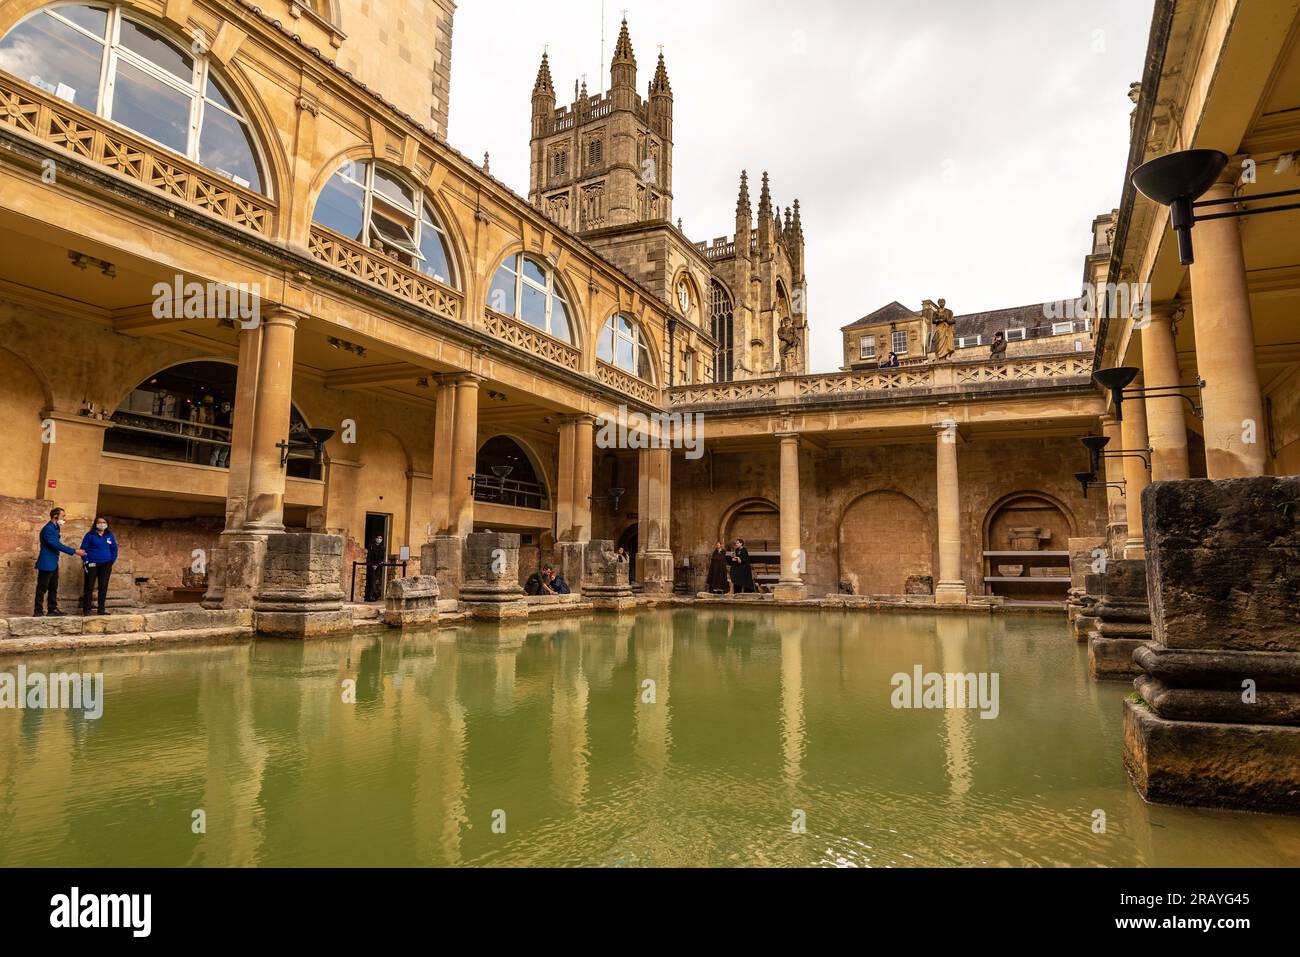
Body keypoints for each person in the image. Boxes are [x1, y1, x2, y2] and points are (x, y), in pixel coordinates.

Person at [34, 507, 85, 617]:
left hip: (53, 562)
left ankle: (52, 609)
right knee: (42, 587)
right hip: (46, 562)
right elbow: (55, 544)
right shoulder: (48, 528)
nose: (64, 518)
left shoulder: (55, 527)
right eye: (63, 516)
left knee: (53, 586)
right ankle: (38, 610)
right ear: (55, 516)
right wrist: (74, 551)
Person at [79, 515, 118, 616]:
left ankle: (101, 609)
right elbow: (83, 549)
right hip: (92, 564)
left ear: (107, 524)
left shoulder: (109, 535)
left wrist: (111, 561)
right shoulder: (90, 535)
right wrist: (86, 561)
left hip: (106, 564)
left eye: (104, 522)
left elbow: (114, 549)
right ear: (95, 524)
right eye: (99, 522)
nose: (102, 524)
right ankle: (87, 610)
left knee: (103, 587)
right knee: (89, 587)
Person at [364, 534, 386, 602]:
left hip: (378, 566)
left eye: (380, 538)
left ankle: (372, 596)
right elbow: (369, 557)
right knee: (372, 580)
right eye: (378, 538)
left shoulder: (382, 547)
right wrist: (372, 565)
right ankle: (375, 594)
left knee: (375, 580)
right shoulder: (371, 546)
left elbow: (382, 557)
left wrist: (379, 564)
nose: (379, 539)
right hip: (371, 566)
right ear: (375, 538)